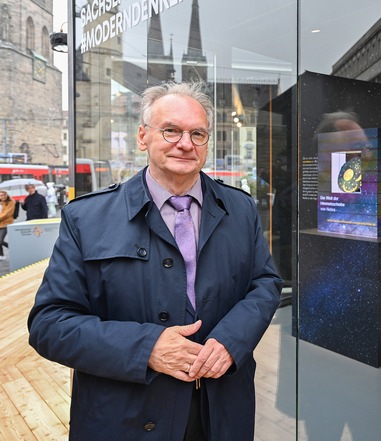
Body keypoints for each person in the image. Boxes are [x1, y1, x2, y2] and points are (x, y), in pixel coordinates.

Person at [28, 81, 283, 441]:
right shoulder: (87, 218)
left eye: (197, 133)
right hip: (126, 417)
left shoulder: (239, 209)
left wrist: (231, 340)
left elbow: (265, 284)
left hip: (220, 410)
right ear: (143, 137)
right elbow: (50, 325)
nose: (185, 143)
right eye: (172, 130)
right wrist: (146, 348)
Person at [0, 190, 16, 260]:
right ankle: (1, 255)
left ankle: (13, 248)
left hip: (6, 223)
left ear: (7, 195)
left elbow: (7, 213)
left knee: (0, 240)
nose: (3, 197)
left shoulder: (10, 202)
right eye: (1, 195)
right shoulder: (1, 203)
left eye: (4, 195)